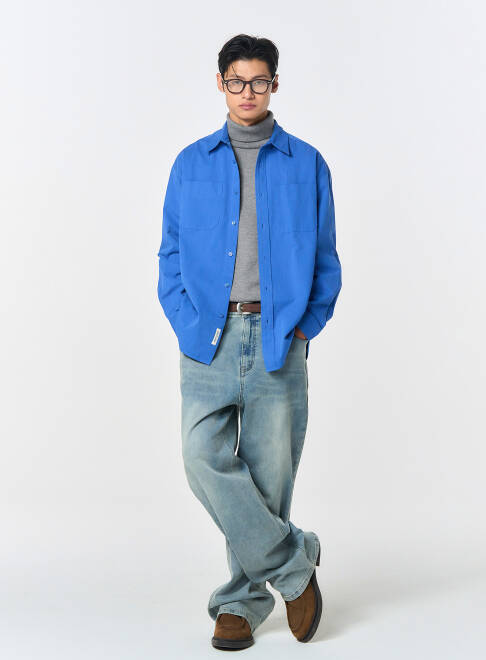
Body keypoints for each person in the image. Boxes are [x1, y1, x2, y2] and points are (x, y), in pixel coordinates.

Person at [157, 33, 342, 650]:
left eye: (259, 81)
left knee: (269, 479)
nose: (247, 92)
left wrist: (304, 325)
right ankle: (294, 566)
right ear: (220, 84)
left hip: (278, 339)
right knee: (200, 458)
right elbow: (170, 254)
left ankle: (240, 601)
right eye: (236, 81)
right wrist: (185, 320)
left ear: (274, 85)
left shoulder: (307, 163)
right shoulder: (190, 163)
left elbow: (325, 258)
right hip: (206, 338)